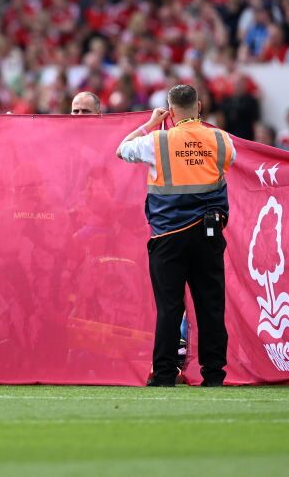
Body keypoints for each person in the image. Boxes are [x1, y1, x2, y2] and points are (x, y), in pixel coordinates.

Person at [116, 85, 236, 387]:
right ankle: (213, 375)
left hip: (168, 236)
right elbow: (228, 163)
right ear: (199, 105)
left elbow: (121, 149)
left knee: (169, 307)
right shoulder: (221, 139)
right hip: (208, 234)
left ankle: (166, 373)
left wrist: (152, 123)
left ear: (170, 110)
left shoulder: (157, 140)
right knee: (211, 305)